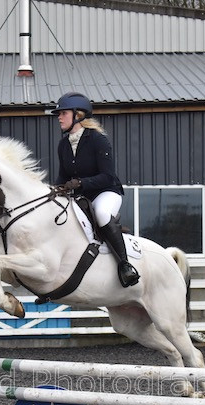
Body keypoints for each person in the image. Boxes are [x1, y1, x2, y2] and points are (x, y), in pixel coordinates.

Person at [51, 92, 140, 287]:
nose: (59, 117)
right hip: (81, 197)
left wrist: (81, 183)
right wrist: (53, 190)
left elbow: (107, 176)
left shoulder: (98, 140)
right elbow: (62, 177)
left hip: (106, 192)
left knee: (101, 213)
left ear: (78, 115)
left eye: (63, 113)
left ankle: (125, 266)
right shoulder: (63, 145)